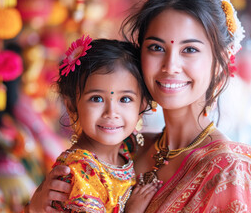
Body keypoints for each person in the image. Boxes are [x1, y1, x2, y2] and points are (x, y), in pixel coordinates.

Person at [28, 0, 251, 212]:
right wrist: (38, 206)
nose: (170, 66)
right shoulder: (125, 149)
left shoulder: (230, 172)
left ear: (218, 62)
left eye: (190, 50)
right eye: (156, 48)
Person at [25, 36, 160, 213]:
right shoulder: (78, 173)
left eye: (125, 99)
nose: (111, 112)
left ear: (141, 106)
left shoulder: (127, 147)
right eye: (96, 99)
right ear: (72, 105)